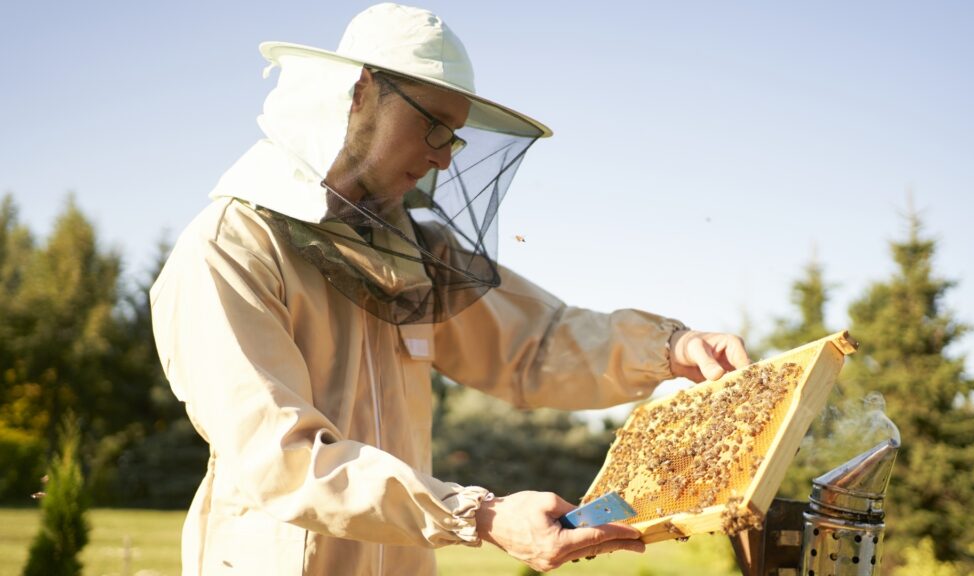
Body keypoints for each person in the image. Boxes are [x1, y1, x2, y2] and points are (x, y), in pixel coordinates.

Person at [150, 3, 750, 575]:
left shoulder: (413, 250)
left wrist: (670, 347)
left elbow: (535, 344)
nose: (442, 159)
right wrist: (480, 515)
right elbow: (283, 461)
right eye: (431, 127)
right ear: (360, 94)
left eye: (453, 137)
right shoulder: (231, 250)